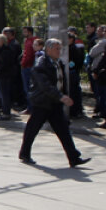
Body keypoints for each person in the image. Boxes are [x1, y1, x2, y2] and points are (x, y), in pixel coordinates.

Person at [19, 38, 90, 168]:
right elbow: (45, 85)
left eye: (60, 48)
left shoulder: (58, 63)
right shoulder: (41, 64)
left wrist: (63, 96)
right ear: (49, 49)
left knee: (63, 130)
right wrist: (61, 97)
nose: (59, 51)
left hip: (54, 103)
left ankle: (73, 157)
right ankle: (24, 153)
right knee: (32, 129)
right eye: (57, 48)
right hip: (42, 102)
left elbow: (61, 82)